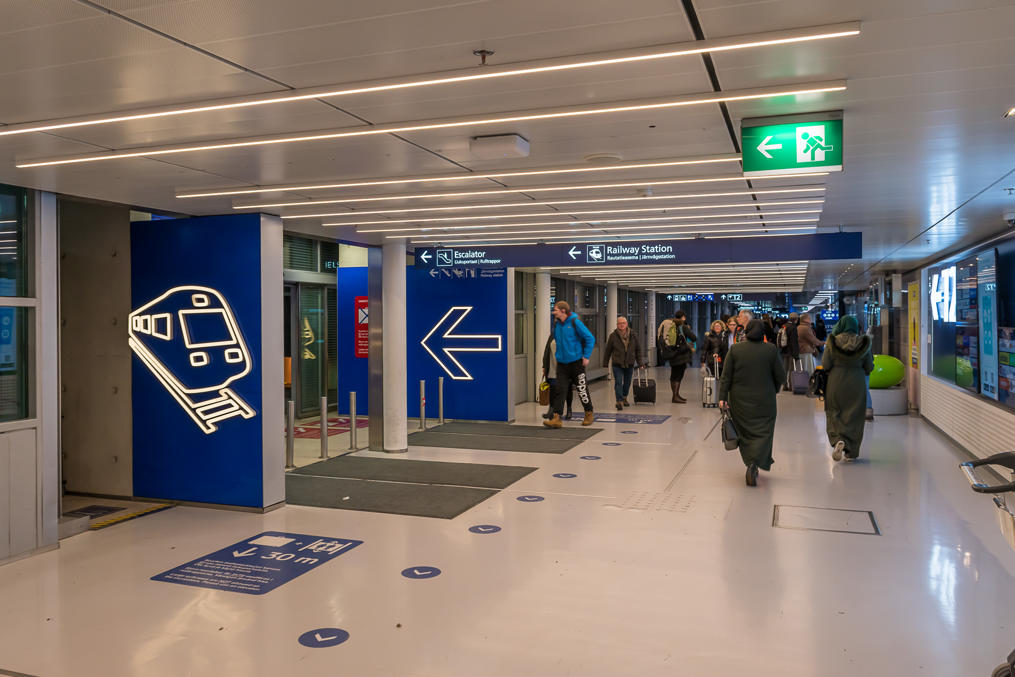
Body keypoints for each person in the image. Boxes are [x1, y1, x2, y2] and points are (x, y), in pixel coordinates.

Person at [718, 319, 787, 486]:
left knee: (745, 432)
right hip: (765, 400)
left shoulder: (735, 349)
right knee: (764, 432)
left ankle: (750, 462)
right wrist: (774, 389)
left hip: (740, 400)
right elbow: (781, 377)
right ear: (763, 332)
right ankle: (756, 463)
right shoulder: (770, 350)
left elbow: (726, 376)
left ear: (746, 331)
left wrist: (722, 398)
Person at [822, 315, 874, 462]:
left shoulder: (832, 341)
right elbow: (869, 367)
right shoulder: (864, 343)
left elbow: (825, 364)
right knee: (855, 415)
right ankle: (851, 452)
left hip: (836, 382)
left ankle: (837, 439)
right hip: (856, 382)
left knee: (834, 412)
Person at [544, 301, 595, 428]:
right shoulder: (557, 325)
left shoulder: (575, 322)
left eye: (555, 310)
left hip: (576, 363)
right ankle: (557, 418)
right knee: (560, 390)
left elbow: (590, 338)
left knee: (582, 389)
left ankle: (589, 413)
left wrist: (586, 356)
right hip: (562, 364)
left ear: (563, 311)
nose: (553, 312)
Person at [602, 316, 645, 410]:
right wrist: (605, 363)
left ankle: (625, 397)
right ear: (617, 325)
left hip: (629, 363)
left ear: (626, 324)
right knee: (618, 382)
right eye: (619, 323)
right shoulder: (613, 336)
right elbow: (608, 350)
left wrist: (640, 363)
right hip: (617, 363)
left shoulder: (633, 335)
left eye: (623, 323)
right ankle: (619, 401)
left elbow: (638, 350)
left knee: (627, 382)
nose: (621, 325)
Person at [657, 310, 698, 403]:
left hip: (672, 354)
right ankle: (675, 396)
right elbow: (694, 338)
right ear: (683, 317)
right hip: (681, 355)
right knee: (678, 375)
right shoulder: (682, 326)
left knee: (674, 375)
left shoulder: (670, 325)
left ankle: (676, 395)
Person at [541, 334, 574, 420]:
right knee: (553, 389)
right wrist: (544, 366)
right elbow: (547, 351)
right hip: (552, 368)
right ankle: (551, 410)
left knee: (567, 389)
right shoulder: (553, 335)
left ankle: (569, 409)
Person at [779, 313, 801, 391]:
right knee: (792, 369)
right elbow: (794, 342)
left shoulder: (784, 325)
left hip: (784, 351)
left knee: (785, 369)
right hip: (791, 352)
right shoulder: (793, 327)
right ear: (796, 319)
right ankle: (791, 386)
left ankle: (784, 385)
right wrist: (796, 354)